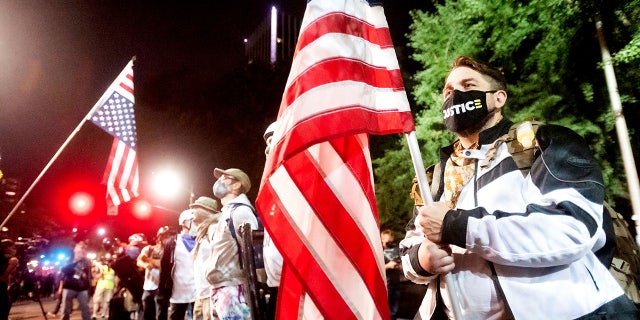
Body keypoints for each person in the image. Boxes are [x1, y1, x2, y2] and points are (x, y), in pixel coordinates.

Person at [400, 55, 638, 319]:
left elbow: (571, 229)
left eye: (468, 86)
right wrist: (421, 260)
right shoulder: (433, 177)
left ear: (499, 98)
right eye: (449, 90)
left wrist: (456, 226)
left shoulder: (543, 143)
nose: (455, 95)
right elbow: (408, 251)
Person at [206, 168, 259, 320]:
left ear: (237, 185)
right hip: (222, 288)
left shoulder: (240, 211)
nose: (219, 181)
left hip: (233, 288)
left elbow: (251, 254)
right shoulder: (227, 213)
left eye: (224, 177)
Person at [158, 209, 197, 320]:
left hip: (197, 292)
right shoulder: (171, 243)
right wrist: (162, 293)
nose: (197, 224)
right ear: (184, 222)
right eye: (193, 221)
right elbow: (164, 269)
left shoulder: (201, 241)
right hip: (178, 293)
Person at [262, 121, 283, 320]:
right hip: (276, 280)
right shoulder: (271, 182)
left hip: (294, 278)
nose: (269, 147)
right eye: (267, 142)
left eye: (273, 139)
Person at [190, 196, 221, 320]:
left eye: (195, 208)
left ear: (205, 210)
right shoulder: (202, 232)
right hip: (200, 293)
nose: (192, 212)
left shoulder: (214, 229)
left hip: (211, 293)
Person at [138, 227, 171, 320]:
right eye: (164, 236)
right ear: (159, 237)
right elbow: (139, 261)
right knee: (147, 314)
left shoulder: (169, 252)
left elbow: (163, 264)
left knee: (161, 315)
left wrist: (148, 260)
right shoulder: (149, 249)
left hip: (161, 288)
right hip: (148, 287)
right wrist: (145, 265)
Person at [59, 241, 92, 320]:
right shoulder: (69, 259)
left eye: (83, 250)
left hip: (82, 287)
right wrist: (76, 262)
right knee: (66, 308)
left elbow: (88, 274)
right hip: (69, 286)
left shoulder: (87, 261)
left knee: (85, 307)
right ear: (75, 250)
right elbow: (64, 269)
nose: (82, 252)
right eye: (80, 250)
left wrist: (89, 286)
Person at [381, 230, 402, 320]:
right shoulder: (379, 251)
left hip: (396, 284)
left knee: (394, 311)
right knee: (385, 310)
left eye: (391, 241)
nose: (390, 243)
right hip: (386, 285)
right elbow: (376, 268)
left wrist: (399, 266)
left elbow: (402, 265)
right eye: (387, 241)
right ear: (382, 240)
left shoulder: (396, 250)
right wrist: (388, 266)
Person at [0, 239, 18, 320]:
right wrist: (4, 276)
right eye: (12, 247)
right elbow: (14, 261)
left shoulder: (6, 258)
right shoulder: (9, 259)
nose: (13, 250)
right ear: (5, 248)